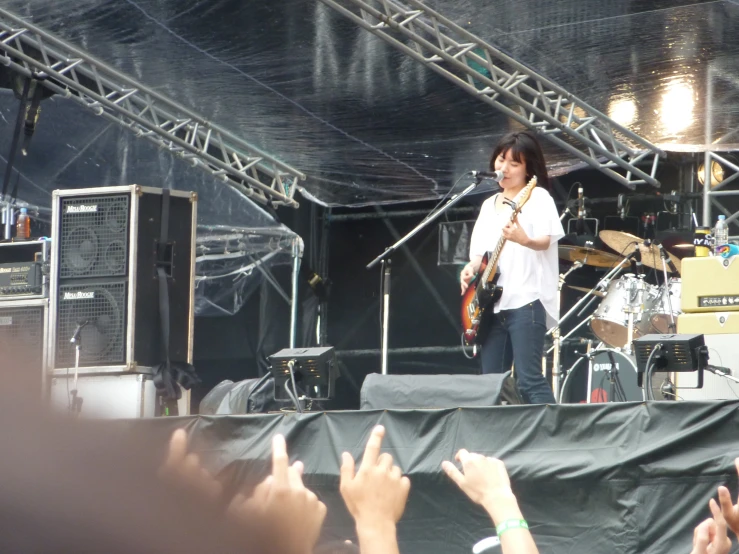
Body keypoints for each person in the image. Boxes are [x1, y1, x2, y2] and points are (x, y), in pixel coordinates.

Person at [460, 131, 564, 405]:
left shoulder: (537, 197)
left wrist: (524, 239)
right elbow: (478, 257)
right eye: (501, 159)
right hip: (492, 307)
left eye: (514, 163)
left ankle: (557, 438)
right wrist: (469, 271)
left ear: (529, 168)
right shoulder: (487, 205)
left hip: (527, 302)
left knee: (529, 381)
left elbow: (545, 241)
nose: (503, 168)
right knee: (491, 387)